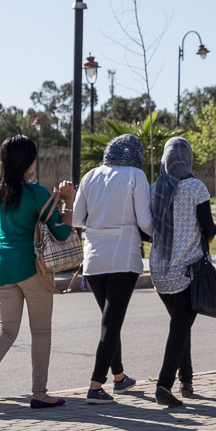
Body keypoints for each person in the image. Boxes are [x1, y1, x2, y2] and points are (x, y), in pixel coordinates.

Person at [0, 136, 75, 412]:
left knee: (5, 331)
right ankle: (39, 393)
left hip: (1, 267)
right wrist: (67, 200)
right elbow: (62, 232)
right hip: (31, 268)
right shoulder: (38, 193)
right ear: (29, 160)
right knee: (40, 331)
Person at [72, 134, 153, 404]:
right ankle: (96, 386)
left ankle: (119, 378)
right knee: (111, 322)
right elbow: (145, 221)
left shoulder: (90, 176)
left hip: (93, 258)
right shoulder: (136, 175)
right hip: (123, 257)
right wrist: (159, 235)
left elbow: (77, 219)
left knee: (110, 321)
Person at [149, 137, 216, 408]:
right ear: (186, 158)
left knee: (181, 323)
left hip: (160, 271)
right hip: (189, 269)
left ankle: (186, 379)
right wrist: (209, 235)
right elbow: (208, 227)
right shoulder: (196, 187)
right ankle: (164, 386)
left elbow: (148, 228)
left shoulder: (156, 188)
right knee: (180, 327)